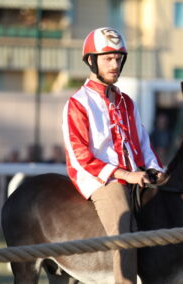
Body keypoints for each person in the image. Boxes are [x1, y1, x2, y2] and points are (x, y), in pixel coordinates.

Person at [62, 27, 164, 284]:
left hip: (135, 174)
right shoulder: (77, 103)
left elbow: (143, 141)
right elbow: (80, 156)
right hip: (100, 180)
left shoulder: (127, 101)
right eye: (108, 58)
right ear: (91, 61)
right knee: (124, 227)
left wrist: (155, 168)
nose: (115, 64)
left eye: (119, 58)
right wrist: (125, 175)